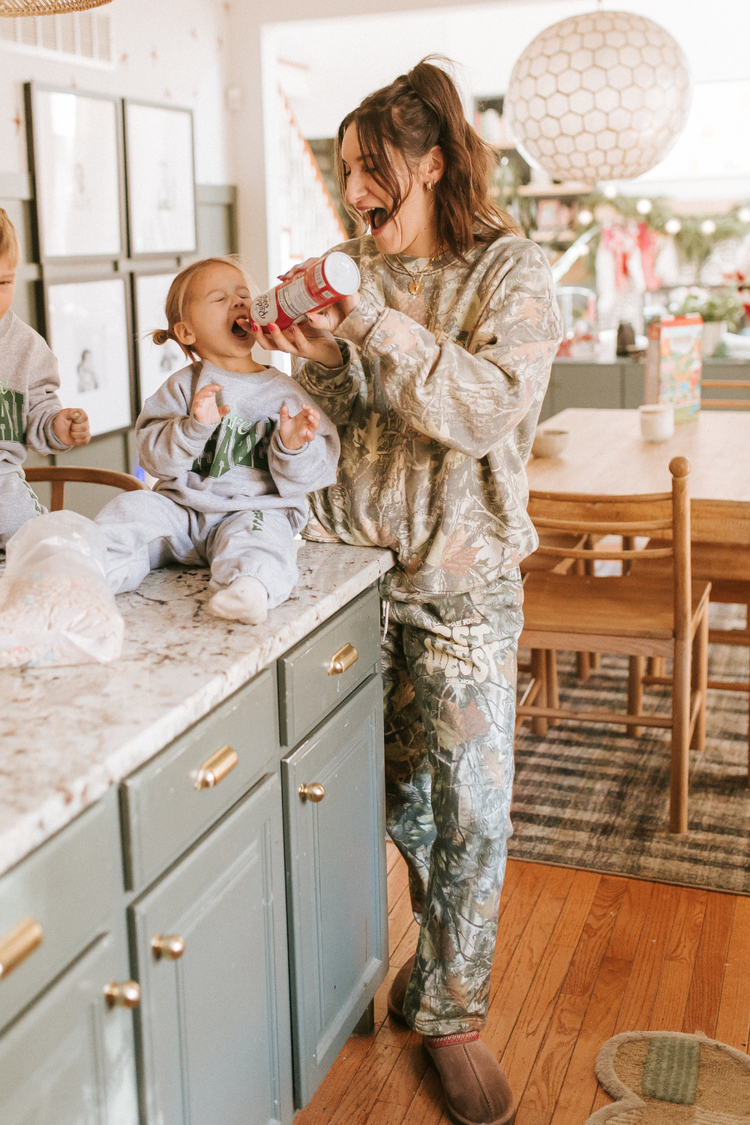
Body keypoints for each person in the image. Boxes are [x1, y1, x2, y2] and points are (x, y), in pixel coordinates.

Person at [249, 58, 563, 1125]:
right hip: (353, 575)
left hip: (464, 585)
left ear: (430, 166)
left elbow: (481, 412)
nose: (354, 192)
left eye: (370, 169)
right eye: (344, 173)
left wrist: (373, 324)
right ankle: (435, 963)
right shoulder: (360, 278)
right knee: (390, 802)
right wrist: (311, 356)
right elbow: (353, 417)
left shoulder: (511, 274)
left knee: (472, 805)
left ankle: (455, 1013)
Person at [95, 257, 339, 625]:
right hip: (182, 511)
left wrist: (293, 447)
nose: (239, 302)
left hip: (252, 511)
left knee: (263, 536)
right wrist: (192, 428)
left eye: (243, 295)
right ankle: (88, 569)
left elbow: (314, 475)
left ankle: (249, 588)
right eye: (220, 298)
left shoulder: (286, 394)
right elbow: (153, 459)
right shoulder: (181, 388)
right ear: (187, 331)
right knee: (132, 509)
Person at [0, 208, 90, 550]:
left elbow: (38, 407)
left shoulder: (25, 346)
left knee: (42, 552)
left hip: (2, 486)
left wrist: (56, 425)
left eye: (3, 282)